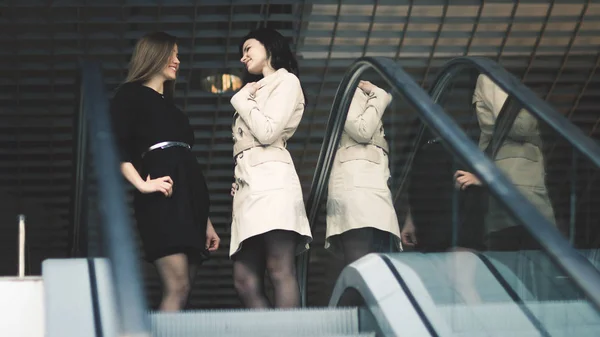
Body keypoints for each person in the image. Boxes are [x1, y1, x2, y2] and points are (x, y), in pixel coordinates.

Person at [109, 31, 220, 312]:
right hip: (162, 198)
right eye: (172, 53)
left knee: (186, 290)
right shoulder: (129, 94)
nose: (177, 60)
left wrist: (206, 221)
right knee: (177, 286)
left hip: (191, 201)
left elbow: (185, 163)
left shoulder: (172, 109)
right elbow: (115, 147)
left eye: (177, 54)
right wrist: (142, 185)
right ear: (153, 55)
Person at [229, 27, 312, 308]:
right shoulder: (255, 89)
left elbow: (267, 132)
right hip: (248, 185)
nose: (243, 57)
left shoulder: (286, 81)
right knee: (243, 278)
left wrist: (242, 99)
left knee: (279, 268)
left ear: (269, 47)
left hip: (273, 181)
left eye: (248, 48)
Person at [452, 73, 556, 251]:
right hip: (513, 210)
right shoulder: (493, 136)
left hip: (519, 204)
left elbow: (519, 127)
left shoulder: (488, 82)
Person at [325, 80, 402, 266]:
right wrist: (379, 93)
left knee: (374, 266)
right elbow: (362, 130)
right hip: (358, 185)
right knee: (361, 264)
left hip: (367, 184)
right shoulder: (352, 94)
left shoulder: (368, 99)